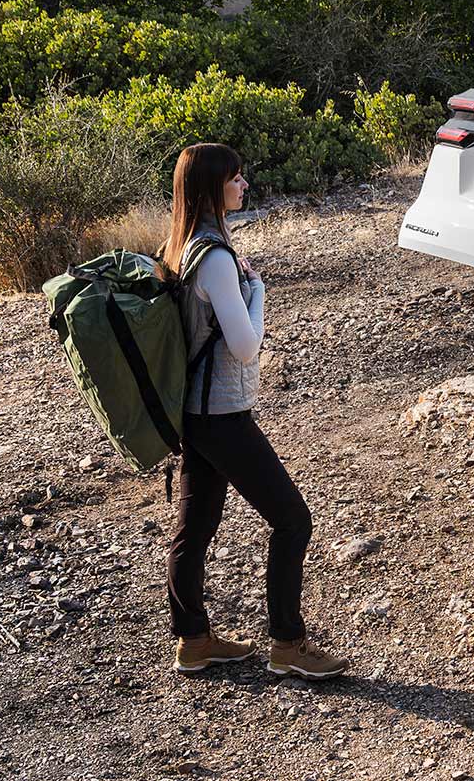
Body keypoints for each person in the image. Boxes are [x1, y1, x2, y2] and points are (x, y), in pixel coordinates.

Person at [160, 143, 348, 680]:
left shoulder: (181, 245)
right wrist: (258, 290)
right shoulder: (216, 258)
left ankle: (193, 640)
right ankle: (287, 644)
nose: (244, 186)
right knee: (292, 520)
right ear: (211, 188)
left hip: (195, 414)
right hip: (220, 414)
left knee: (194, 528)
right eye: (236, 178)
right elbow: (245, 345)